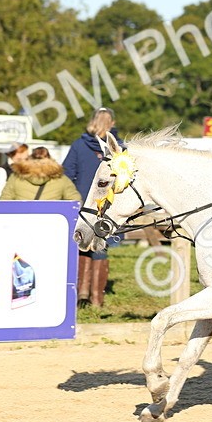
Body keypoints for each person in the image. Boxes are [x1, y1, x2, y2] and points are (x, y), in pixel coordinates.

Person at [64, 107, 123, 308]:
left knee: (82, 244)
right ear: (112, 123)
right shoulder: (119, 148)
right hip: (108, 205)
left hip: (82, 203)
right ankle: (97, 299)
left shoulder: (79, 145)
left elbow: (66, 173)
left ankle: (82, 293)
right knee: (101, 245)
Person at [1, 146, 81, 201]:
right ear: (50, 159)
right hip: (52, 223)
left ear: (30, 158)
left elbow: (4, 201)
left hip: (21, 222)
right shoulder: (61, 179)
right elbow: (75, 202)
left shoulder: (16, 177)